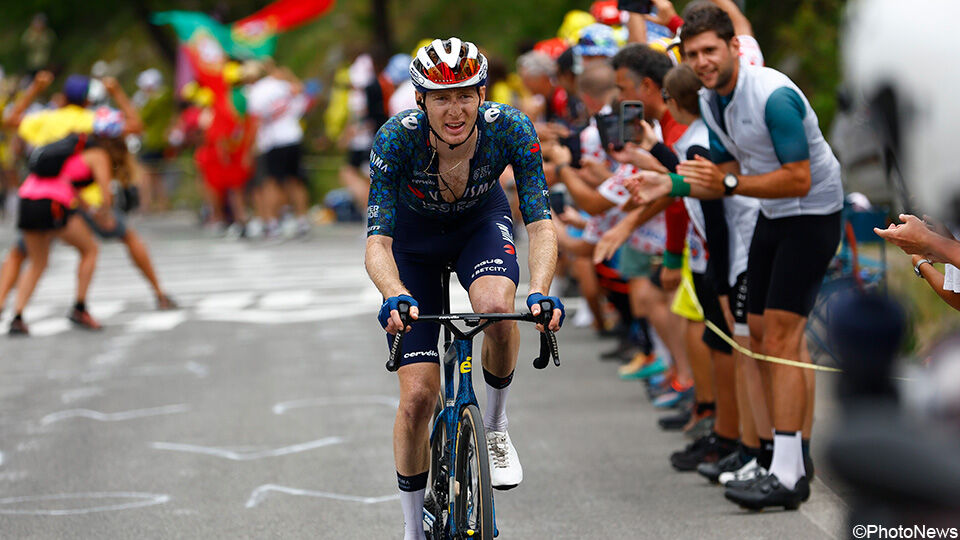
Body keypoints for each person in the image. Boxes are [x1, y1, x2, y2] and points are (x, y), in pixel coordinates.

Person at [630, 4, 844, 509]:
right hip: (773, 213)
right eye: (693, 52)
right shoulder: (711, 100)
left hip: (812, 213)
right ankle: (786, 455)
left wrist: (728, 182)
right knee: (760, 335)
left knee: (783, 339)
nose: (702, 61)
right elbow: (722, 166)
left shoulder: (771, 95)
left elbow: (798, 177)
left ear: (732, 48)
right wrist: (671, 180)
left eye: (711, 50)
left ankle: (788, 474)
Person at [364, 38, 564, 540]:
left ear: (481, 94)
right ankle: (412, 528)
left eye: (465, 95)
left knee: (498, 307)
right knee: (417, 399)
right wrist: (393, 294)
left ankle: (494, 428)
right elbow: (377, 242)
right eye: (440, 98)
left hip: (479, 225)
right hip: (413, 245)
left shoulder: (512, 127)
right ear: (420, 101)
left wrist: (539, 290)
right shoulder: (396, 140)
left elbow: (540, 223)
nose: (455, 110)